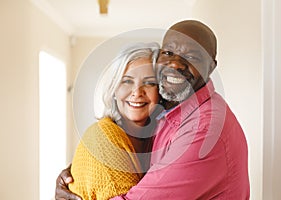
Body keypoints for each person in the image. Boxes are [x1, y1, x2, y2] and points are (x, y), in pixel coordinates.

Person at [56, 19, 250, 200]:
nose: (174, 64)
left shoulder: (204, 127)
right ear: (113, 88)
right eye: (168, 53)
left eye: (191, 56)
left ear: (211, 67)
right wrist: (79, 177)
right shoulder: (168, 113)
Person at [64, 42, 161, 200]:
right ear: (114, 89)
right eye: (127, 81)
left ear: (160, 91)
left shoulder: (156, 136)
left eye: (149, 82)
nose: (137, 92)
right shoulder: (103, 137)